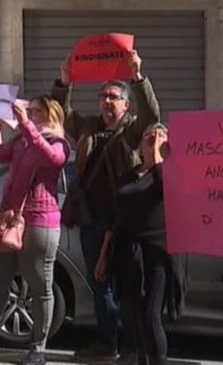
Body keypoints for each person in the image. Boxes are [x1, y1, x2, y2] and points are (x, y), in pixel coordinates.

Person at [51, 49, 160, 361]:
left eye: (113, 96)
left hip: (122, 221)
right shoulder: (88, 127)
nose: (107, 101)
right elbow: (61, 114)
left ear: (126, 104)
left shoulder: (133, 130)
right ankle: (107, 342)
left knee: (126, 285)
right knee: (100, 285)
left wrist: (138, 77)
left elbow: (153, 115)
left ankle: (129, 347)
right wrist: (64, 81)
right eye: (102, 96)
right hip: (91, 219)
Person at [0, 95, 70, 365]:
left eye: (34, 111)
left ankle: (38, 348)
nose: (28, 114)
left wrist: (26, 126)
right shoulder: (23, 141)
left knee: (40, 285)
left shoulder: (58, 141)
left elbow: (52, 159)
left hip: (40, 221)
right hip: (12, 219)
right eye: (27, 110)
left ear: (49, 114)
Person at [94, 123, 188, 365]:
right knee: (135, 313)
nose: (154, 139)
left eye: (160, 136)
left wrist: (158, 155)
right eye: (149, 136)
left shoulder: (170, 172)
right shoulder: (129, 175)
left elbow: (163, 187)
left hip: (158, 252)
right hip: (128, 250)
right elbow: (117, 216)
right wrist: (104, 254)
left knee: (150, 313)